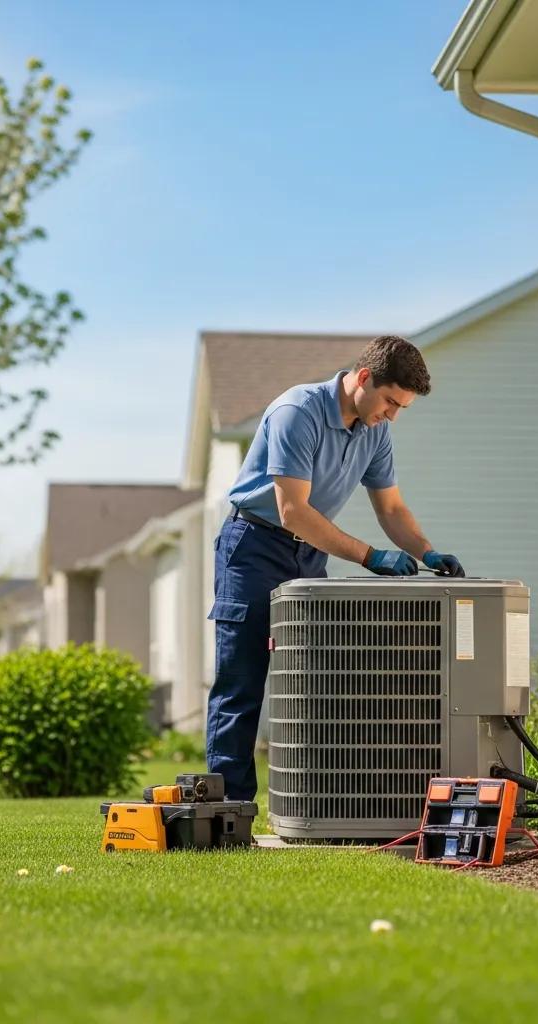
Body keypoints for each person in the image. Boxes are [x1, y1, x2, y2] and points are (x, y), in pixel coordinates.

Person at [206, 335, 465, 800]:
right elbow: (294, 512)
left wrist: (427, 552)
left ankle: (316, 801)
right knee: (241, 685)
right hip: (252, 547)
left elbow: (391, 509)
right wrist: (370, 557)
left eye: (401, 407)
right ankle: (230, 811)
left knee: (320, 684)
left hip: (308, 555)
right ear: (363, 378)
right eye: (390, 401)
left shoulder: (375, 430)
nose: (392, 415)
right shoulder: (297, 413)